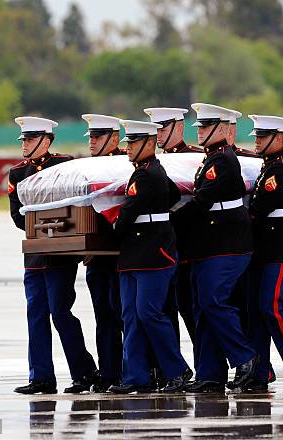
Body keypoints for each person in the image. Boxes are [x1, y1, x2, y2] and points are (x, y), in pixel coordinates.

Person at [172, 103, 258, 393]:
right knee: (202, 308)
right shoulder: (210, 159)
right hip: (209, 243)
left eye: (207, 127)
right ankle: (210, 374)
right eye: (200, 127)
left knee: (213, 301)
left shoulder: (222, 161)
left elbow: (202, 200)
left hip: (227, 242)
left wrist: (168, 220)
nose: (202, 132)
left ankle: (245, 357)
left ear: (221, 130)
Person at [9, 116, 98, 394]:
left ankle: (84, 373)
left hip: (60, 254)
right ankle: (41, 377)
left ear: (47, 140)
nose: (26, 145)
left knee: (60, 312)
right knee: (35, 314)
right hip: (36, 254)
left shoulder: (64, 165)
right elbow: (17, 215)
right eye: (24, 139)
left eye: (31, 139)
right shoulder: (18, 173)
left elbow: (79, 204)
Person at [109, 119, 192, 394]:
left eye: (132, 142)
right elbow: (172, 193)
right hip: (136, 255)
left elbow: (128, 213)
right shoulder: (149, 171)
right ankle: (136, 376)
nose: (127, 147)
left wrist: (113, 228)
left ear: (149, 144)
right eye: (128, 142)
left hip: (152, 256)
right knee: (131, 315)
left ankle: (178, 370)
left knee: (148, 313)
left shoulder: (147, 174)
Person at [244, 115, 283, 391]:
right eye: (256, 136)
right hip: (267, 247)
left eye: (262, 136)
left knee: (270, 305)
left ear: (278, 138)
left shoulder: (280, 170)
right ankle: (260, 370)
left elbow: (258, 207)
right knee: (259, 309)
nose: (257, 141)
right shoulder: (268, 167)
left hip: (282, 247)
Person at [144, 107, 200, 348]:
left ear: (178, 127)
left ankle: (206, 368)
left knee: (192, 311)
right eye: (154, 129)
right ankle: (171, 371)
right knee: (164, 312)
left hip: (189, 247)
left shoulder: (196, 158)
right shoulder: (150, 163)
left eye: (162, 128)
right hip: (160, 249)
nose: (157, 135)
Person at [81, 114, 125, 391]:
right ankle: (110, 373)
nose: (92, 143)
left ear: (114, 138)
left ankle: (138, 371)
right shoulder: (84, 168)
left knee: (124, 314)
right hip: (97, 256)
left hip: (122, 254)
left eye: (98, 137)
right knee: (104, 317)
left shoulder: (125, 165)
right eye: (91, 138)